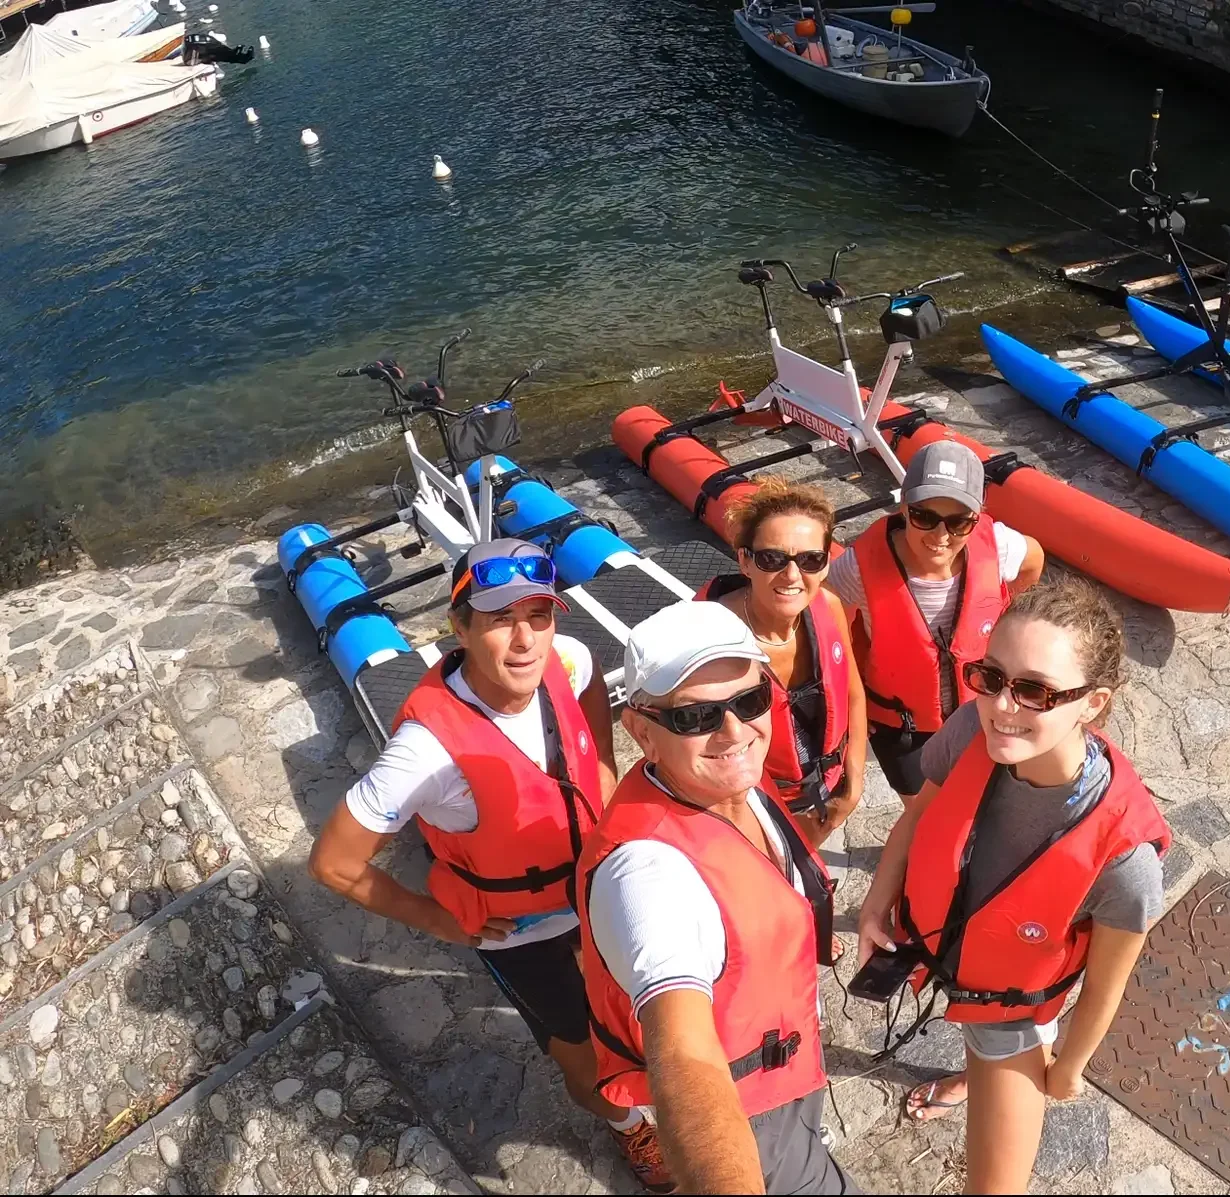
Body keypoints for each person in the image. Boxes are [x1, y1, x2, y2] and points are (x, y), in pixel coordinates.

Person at [308, 539, 671, 1193]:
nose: (526, 639)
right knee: (587, 1066)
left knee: (644, 1015)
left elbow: (595, 715)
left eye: (539, 614)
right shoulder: (424, 752)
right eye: (501, 619)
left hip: (596, 887)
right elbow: (333, 861)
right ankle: (628, 1125)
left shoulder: (569, 657)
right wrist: (439, 921)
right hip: (521, 931)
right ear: (461, 627)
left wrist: (609, 794)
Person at [855, 576, 1170, 1192]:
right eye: (992, 677)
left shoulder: (1125, 863)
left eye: (1034, 691)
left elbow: (1105, 987)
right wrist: (875, 904)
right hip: (948, 950)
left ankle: (982, 1074)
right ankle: (968, 1077)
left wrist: (1069, 1068)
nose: (1003, 706)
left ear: (1093, 703)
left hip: (1010, 1016)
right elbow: (917, 817)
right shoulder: (970, 732)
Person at [578, 601, 857, 1195]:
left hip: (782, 1058)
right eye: (696, 716)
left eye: (750, 700)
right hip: (749, 1112)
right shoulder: (647, 873)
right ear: (642, 732)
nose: (734, 731)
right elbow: (684, 1055)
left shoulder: (730, 781)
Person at [827, 439, 1044, 801]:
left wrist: (1015, 622)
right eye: (924, 517)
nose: (940, 537)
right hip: (902, 725)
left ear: (977, 518)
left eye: (958, 522)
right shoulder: (857, 567)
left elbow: (1033, 559)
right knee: (922, 810)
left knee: (983, 798)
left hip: (981, 708)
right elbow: (827, 618)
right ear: (904, 506)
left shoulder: (999, 546)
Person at [699, 478, 867, 846]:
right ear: (745, 561)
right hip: (753, 808)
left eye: (810, 560)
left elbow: (853, 693)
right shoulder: (709, 636)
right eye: (772, 559)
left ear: (825, 565)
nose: (792, 575)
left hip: (825, 791)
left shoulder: (830, 608)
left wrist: (853, 784)